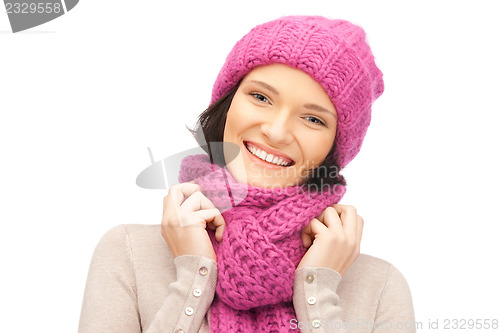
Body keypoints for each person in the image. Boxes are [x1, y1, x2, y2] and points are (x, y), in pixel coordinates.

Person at [78, 15, 415, 333]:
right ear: (228, 102)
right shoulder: (130, 252)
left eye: (314, 119)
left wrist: (318, 289)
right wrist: (194, 274)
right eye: (260, 96)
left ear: (335, 147)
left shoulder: (380, 286)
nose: (277, 131)